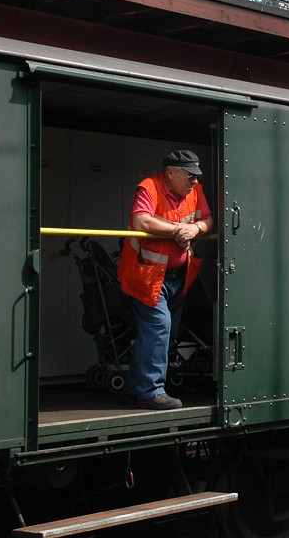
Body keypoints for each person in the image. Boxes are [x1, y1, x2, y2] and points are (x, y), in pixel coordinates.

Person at [118, 150, 214, 410]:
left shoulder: (195, 191)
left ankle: (133, 390)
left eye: (196, 176)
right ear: (170, 172)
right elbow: (141, 220)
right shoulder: (149, 187)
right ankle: (151, 391)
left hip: (177, 277)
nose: (194, 181)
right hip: (147, 276)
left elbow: (208, 220)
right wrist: (177, 231)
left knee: (163, 334)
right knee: (159, 327)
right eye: (190, 175)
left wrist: (195, 229)